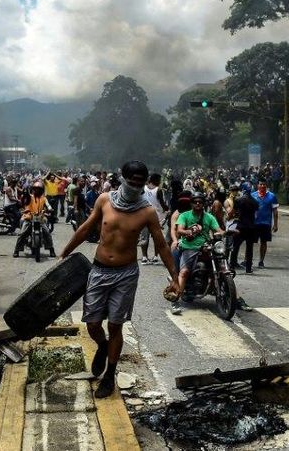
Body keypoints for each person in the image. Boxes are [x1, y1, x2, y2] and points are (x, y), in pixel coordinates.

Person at [59, 161, 180, 399]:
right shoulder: (104, 200)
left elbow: (161, 245)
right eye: (131, 180)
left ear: (144, 183)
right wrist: (65, 252)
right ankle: (102, 347)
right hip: (99, 270)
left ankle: (109, 376)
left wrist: (175, 276)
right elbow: (85, 229)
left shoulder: (147, 212)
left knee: (115, 325)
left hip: (125, 273)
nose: (135, 186)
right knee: (93, 324)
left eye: (140, 182)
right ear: (122, 178)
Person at [173, 191, 223, 315]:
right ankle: (175, 301)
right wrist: (187, 232)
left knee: (222, 266)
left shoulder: (209, 217)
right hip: (189, 247)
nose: (198, 204)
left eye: (200, 202)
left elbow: (218, 230)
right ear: (191, 204)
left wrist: (224, 233)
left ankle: (236, 298)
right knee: (184, 272)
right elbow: (179, 230)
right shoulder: (184, 215)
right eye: (195, 202)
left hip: (206, 247)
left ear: (204, 204)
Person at [14, 181, 55, 258]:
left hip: (40, 218)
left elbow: (48, 205)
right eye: (35, 189)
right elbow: (25, 201)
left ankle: (51, 249)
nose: (37, 191)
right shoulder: (30, 197)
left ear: (42, 190)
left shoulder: (44, 198)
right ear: (32, 190)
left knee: (47, 233)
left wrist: (50, 209)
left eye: (39, 189)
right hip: (29, 218)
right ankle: (16, 250)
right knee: (22, 233)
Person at [139, 173, 169, 265]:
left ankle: (144, 257)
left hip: (144, 215)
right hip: (156, 217)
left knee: (144, 237)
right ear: (156, 180)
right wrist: (167, 209)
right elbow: (162, 203)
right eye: (159, 180)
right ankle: (156, 256)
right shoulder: (158, 190)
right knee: (156, 237)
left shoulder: (143, 188)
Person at [230, 183, 258, 277]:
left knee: (235, 247)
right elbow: (255, 213)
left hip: (241, 226)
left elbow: (233, 212)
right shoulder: (255, 201)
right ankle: (248, 269)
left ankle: (232, 266)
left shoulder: (238, 200)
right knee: (249, 248)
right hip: (251, 226)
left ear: (243, 190)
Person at [251, 180, 279, 268]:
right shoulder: (253, 195)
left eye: (264, 184)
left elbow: (275, 211)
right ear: (257, 185)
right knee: (251, 242)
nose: (262, 186)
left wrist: (275, 224)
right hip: (254, 223)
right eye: (260, 184)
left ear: (266, 186)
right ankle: (248, 260)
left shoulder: (272, 196)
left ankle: (261, 261)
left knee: (264, 242)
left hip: (266, 223)